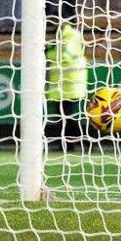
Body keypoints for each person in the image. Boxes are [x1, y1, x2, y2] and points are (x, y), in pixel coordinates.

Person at [46, 20, 88, 153]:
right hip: (63, 87)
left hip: (70, 85)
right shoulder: (63, 36)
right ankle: (70, 143)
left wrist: (48, 52)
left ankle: (79, 142)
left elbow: (65, 56)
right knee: (65, 116)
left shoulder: (70, 36)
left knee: (67, 117)